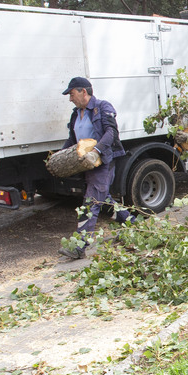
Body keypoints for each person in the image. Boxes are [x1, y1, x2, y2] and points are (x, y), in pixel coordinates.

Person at [59, 76, 130, 259]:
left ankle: (79, 247)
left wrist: (97, 151)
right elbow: (72, 140)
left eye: (72, 94)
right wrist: (60, 155)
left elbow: (111, 133)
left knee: (91, 203)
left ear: (84, 91)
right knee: (104, 199)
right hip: (86, 164)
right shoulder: (76, 113)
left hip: (102, 162)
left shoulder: (103, 107)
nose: (70, 99)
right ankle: (132, 223)